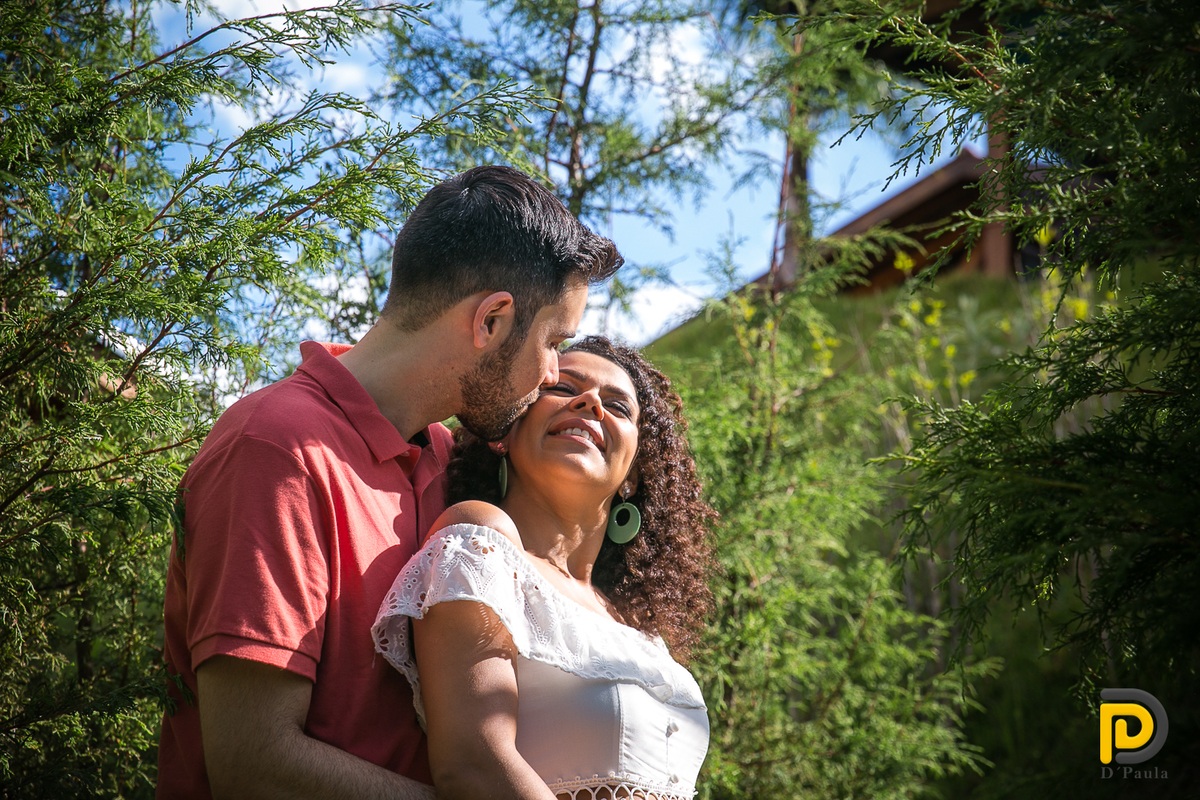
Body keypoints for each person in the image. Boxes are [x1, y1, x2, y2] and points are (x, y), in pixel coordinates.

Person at [156, 166, 622, 799]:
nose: (550, 375)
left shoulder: (441, 457)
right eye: (551, 343)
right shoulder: (278, 448)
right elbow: (253, 761)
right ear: (491, 321)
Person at [372, 336, 717, 800]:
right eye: (562, 387)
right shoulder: (480, 544)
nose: (591, 401)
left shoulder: (638, 632)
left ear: (634, 473)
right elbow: (474, 764)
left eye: (618, 405)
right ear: (506, 432)